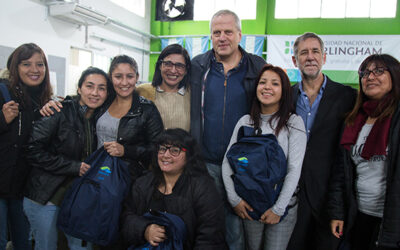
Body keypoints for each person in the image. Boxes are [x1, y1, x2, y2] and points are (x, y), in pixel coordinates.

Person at [190, 9, 265, 249]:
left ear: (240, 35)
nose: (222, 37)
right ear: (210, 36)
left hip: (242, 164)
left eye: (228, 32)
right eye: (216, 32)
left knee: (237, 227)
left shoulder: (257, 66)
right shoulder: (198, 67)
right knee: (208, 224)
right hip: (207, 162)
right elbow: (166, 85)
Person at [23, 67, 111, 250]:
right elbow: (32, 150)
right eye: (89, 86)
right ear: (79, 88)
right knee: (46, 246)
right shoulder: (58, 110)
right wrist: (73, 167)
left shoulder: (101, 118)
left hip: (79, 198)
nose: (95, 93)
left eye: (102, 88)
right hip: (46, 195)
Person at [222, 64, 307, 250]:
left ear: (284, 91)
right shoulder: (245, 121)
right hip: (249, 204)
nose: (267, 87)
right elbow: (228, 162)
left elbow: (294, 169)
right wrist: (234, 199)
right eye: (263, 82)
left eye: (275, 84)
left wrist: (278, 209)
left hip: (282, 206)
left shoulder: (294, 123)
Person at [286, 32, 357, 250]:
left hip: (330, 197)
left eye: (315, 51)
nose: (310, 57)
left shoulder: (347, 96)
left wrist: (339, 206)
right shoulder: (286, 97)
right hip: (294, 197)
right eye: (303, 52)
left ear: (324, 58)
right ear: (294, 60)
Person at [328, 54, 400, 250]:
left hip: (391, 220)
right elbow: (340, 173)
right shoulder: (354, 120)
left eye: (379, 71)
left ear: (395, 75)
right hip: (358, 216)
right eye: (365, 73)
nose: (370, 77)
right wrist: (338, 213)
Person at [121, 128, 227, 249]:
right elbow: (126, 218)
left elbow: (210, 237)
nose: (166, 155)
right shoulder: (143, 183)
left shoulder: (203, 187)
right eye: (162, 149)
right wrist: (145, 229)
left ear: (189, 155)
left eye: (174, 150)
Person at [0, 43, 52, 250]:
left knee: (23, 242)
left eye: (40, 64)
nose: (34, 69)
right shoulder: (3, 91)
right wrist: (2, 119)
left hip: (23, 187)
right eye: (26, 64)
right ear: (15, 66)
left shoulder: (42, 100)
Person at [136, 44, 191, 131]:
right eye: (168, 64)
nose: (173, 70)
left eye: (179, 66)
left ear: (186, 70)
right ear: (160, 65)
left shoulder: (192, 95)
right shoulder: (143, 91)